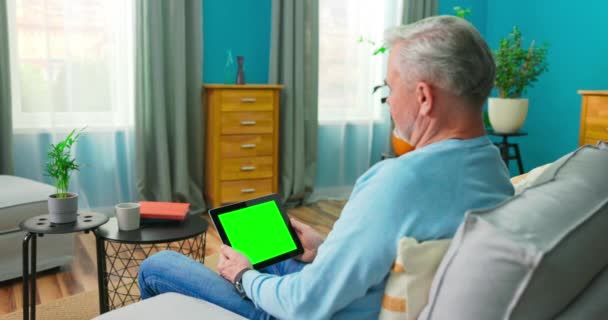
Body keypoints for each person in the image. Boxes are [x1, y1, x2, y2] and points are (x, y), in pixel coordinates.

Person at [137, 15, 514, 319]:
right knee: (279, 253)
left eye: (390, 89)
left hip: (315, 311)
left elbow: (305, 305)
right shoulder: (493, 168)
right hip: (346, 294)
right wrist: (327, 249)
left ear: (423, 97)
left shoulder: (396, 181)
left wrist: (243, 277)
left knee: (161, 266)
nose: (388, 103)